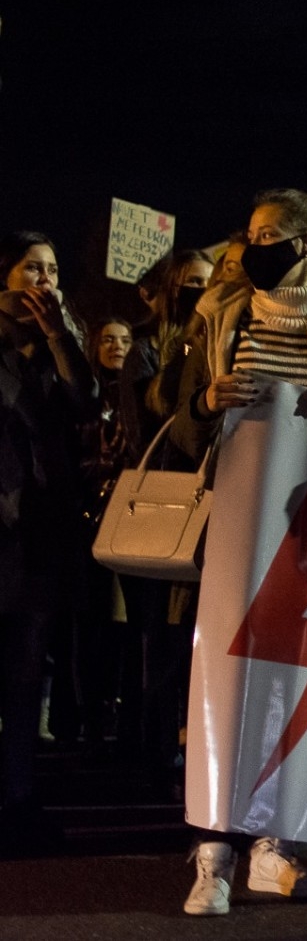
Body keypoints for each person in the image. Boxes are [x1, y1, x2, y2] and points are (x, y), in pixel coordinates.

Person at [172, 188, 307, 914]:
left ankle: (275, 845)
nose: (254, 244)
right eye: (252, 232)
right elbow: (180, 409)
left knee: (299, 686)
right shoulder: (223, 315)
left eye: (268, 234)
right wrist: (208, 401)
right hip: (236, 526)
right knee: (223, 682)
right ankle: (214, 851)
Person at [0, 231, 96, 854]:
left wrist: (60, 335)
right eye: (33, 268)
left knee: (25, 671)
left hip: (39, 532)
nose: (45, 280)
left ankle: (18, 797)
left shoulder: (60, 340)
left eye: (54, 270)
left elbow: (84, 399)